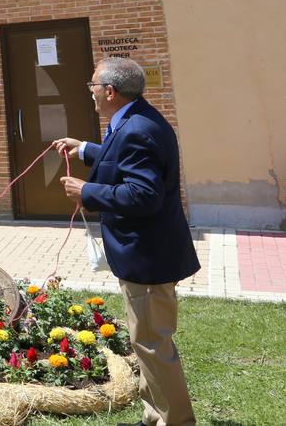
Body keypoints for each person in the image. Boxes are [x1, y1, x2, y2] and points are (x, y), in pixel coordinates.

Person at [53, 57, 198, 426]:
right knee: (145, 344)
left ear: (110, 91)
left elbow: (142, 195)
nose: (91, 94)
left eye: (92, 87)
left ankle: (175, 421)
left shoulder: (137, 129)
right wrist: (85, 149)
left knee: (152, 346)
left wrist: (88, 190)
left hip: (148, 258)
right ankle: (155, 416)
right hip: (147, 254)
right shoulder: (135, 120)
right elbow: (123, 158)